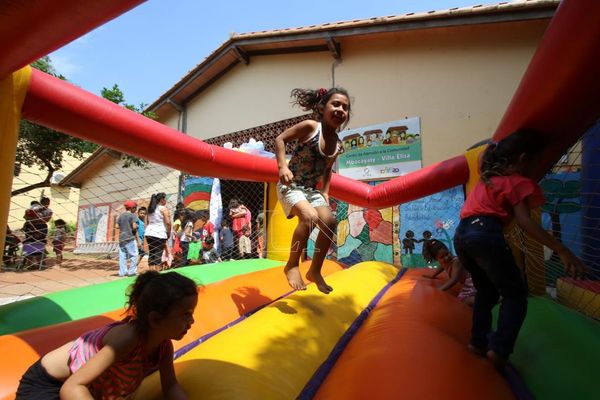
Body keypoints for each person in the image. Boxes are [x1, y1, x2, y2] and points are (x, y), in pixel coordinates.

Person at [453, 130, 587, 371]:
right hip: (485, 233)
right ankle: (500, 350)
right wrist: (561, 249)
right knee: (515, 294)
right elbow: (525, 221)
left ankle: (478, 342)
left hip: (462, 236)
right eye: (538, 161)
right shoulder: (517, 182)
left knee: (487, 291)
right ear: (525, 159)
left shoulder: (487, 180)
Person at [16, 271, 198, 399]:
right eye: (185, 314)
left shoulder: (163, 347)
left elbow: (171, 386)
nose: (192, 321)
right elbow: (72, 388)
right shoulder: (127, 338)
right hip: (48, 386)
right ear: (156, 319)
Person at [274, 87, 350, 294]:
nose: (340, 109)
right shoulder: (310, 127)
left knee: (330, 221)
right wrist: (283, 166)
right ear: (322, 107)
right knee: (309, 217)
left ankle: (315, 271)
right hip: (290, 185)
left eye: (345, 107)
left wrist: (325, 191)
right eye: (335, 104)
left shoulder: (338, 145)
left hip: (311, 190)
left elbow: (327, 170)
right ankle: (292, 264)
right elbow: (280, 139)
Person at [422, 239, 476, 305]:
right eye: (442, 257)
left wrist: (439, 290)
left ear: (449, 250)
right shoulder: (444, 262)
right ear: (436, 259)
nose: (446, 258)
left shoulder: (456, 262)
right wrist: (433, 275)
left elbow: (454, 280)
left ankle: (480, 300)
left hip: (472, 282)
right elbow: (442, 267)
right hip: (466, 282)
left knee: (461, 300)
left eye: (447, 254)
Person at [144, 193, 171, 271]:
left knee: (152, 253)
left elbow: (147, 222)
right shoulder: (163, 208)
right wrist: (168, 233)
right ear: (162, 200)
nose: (166, 200)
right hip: (159, 233)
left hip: (149, 233)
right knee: (158, 253)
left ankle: (151, 273)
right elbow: (168, 222)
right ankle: (157, 273)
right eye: (165, 199)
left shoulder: (150, 208)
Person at [117, 201, 139, 277]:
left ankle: (122, 272)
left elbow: (117, 226)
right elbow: (134, 227)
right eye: (135, 208)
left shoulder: (121, 216)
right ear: (132, 208)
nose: (136, 209)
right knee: (134, 255)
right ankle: (131, 272)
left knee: (122, 256)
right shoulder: (133, 215)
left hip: (122, 238)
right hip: (130, 237)